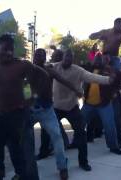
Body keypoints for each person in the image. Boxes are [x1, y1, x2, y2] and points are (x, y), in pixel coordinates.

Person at [0, 35, 44, 180]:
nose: (9, 53)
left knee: (24, 153)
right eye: (5, 50)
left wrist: (34, 96)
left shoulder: (22, 65)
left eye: (11, 50)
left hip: (20, 115)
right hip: (1, 116)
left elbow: (40, 76)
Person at [43, 49, 115, 171]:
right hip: (56, 107)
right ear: (63, 57)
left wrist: (108, 80)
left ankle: (83, 162)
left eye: (70, 58)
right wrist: (46, 65)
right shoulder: (54, 66)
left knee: (81, 134)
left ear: (73, 59)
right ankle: (43, 152)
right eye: (66, 57)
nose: (68, 60)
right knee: (46, 130)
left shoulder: (78, 70)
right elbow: (44, 67)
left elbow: (93, 77)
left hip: (72, 107)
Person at [33, 48, 84, 179]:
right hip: (32, 109)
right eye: (36, 55)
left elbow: (64, 81)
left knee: (57, 137)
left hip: (47, 110)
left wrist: (77, 90)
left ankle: (62, 167)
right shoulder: (28, 69)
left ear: (44, 58)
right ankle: (24, 167)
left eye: (40, 56)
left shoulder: (49, 70)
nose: (37, 57)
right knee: (22, 136)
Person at [81, 54, 121, 154]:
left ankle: (113, 146)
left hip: (104, 104)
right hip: (88, 103)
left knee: (109, 126)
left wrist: (113, 93)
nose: (98, 61)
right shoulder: (89, 69)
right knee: (80, 123)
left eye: (101, 59)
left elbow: (118, 84)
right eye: (97, 59)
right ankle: (76, 141)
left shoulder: (109, 70)